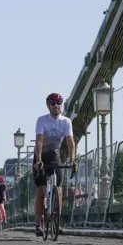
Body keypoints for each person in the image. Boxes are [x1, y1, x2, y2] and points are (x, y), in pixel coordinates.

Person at [33, 93, 77, 237]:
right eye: (53, 103)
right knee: (41, 190)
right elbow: (39, 141)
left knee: (58, 190)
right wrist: (38, 161)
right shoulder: (42, 120)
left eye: (59, 103)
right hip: (41, 155)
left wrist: (72, 161)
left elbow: (70, 143)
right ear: (48, 105)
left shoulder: (66, 122)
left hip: (55, 155)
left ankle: (57, 221)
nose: (56, 106)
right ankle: (39, 225)